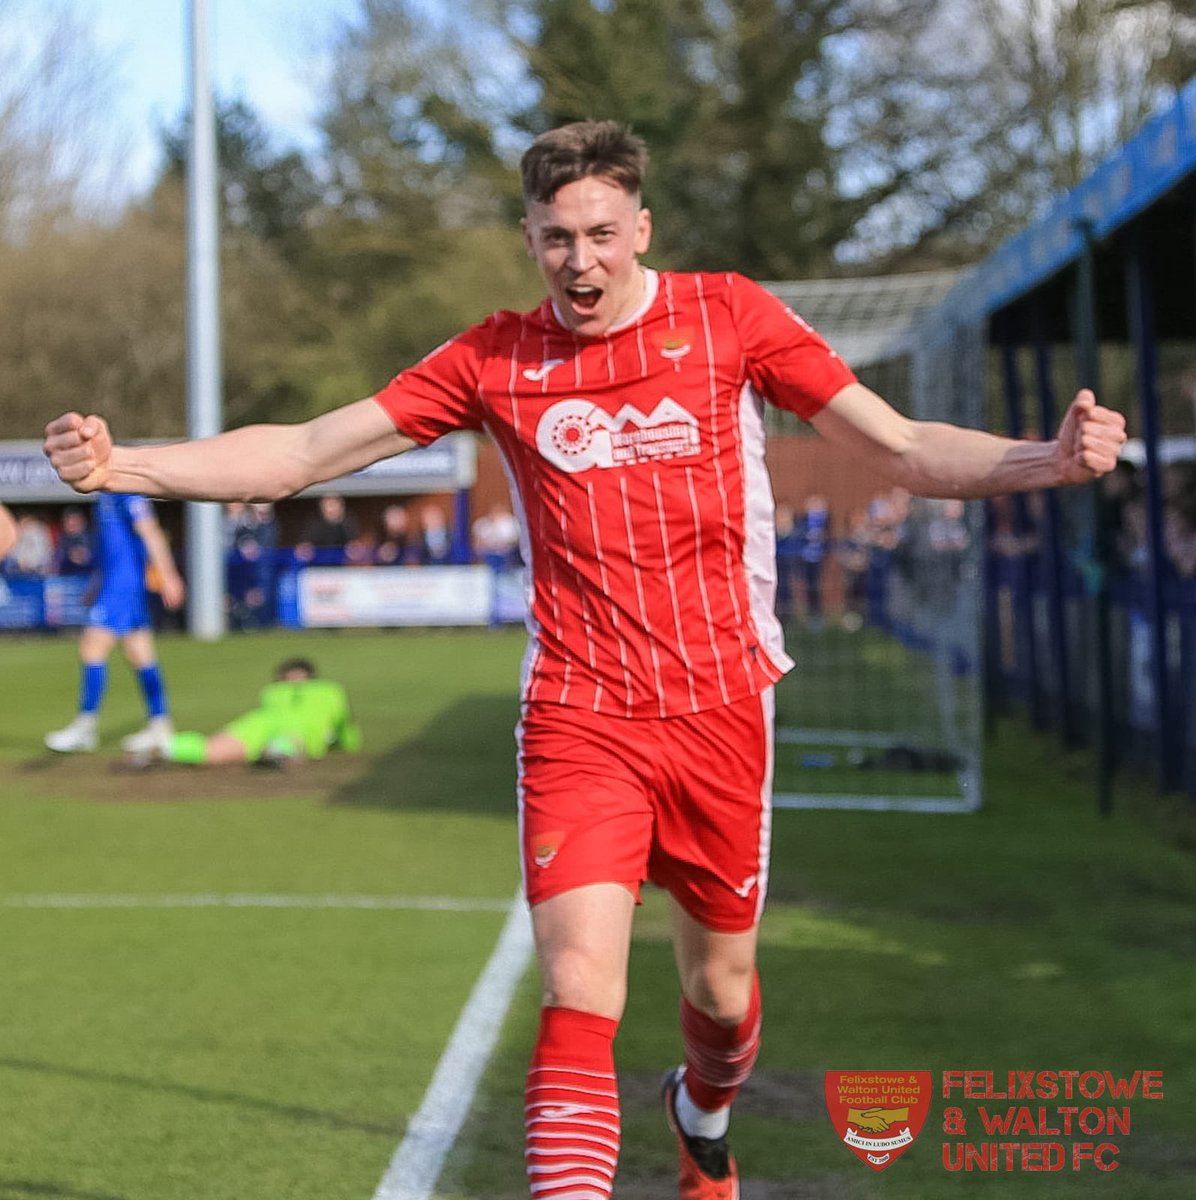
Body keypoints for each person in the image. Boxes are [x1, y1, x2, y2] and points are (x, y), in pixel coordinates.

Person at [43, 120, 1126, 1200]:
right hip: (579, 713)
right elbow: (304, 453)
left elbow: (897, 447)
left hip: (720, 707)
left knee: (723, 994)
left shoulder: (729, 319)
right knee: (576, 986)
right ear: (528, 238)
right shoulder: (495, 359)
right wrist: (124, 463)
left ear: (639, 228)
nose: (581, 261)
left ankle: (700, 1114)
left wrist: (1044, 458)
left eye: (601, 233)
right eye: (557, 238)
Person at [44, 493, 185, 754]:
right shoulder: (105, 496)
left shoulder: (124, 492)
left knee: (92, 648)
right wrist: (97, 584)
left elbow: (150, 531)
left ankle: (85, 726)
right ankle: (160, 725)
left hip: (122, 588)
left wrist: (168, 576)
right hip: (114, 584)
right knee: (140, 655)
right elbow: (112, 549)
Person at [128, 656, 362, 768]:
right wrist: (349, 744)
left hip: (260, 722)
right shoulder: (331, 690)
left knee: (212, 749)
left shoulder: (272, 691)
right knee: (291, 739)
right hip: (298, 727)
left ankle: (168, 747)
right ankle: (277, 751)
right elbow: (346, 730)